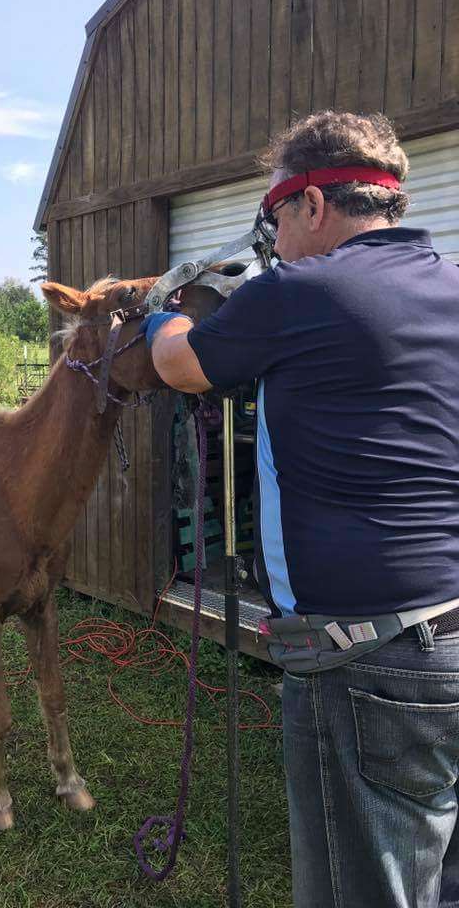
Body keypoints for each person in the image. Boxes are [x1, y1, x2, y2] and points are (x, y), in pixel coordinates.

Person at [142, 110, 459, 908]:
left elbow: (179, 366)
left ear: (313, 205)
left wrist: (161, 312)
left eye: (275, 220)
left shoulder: (299, 290)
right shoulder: (449, 285)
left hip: (367, 661)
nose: (274, 242)